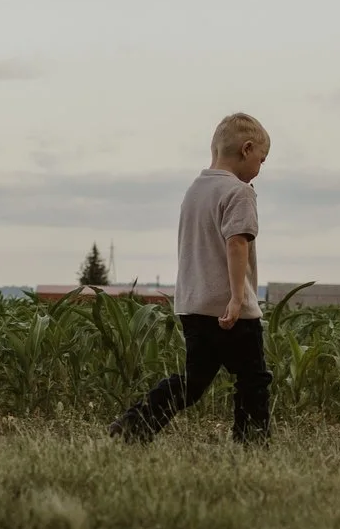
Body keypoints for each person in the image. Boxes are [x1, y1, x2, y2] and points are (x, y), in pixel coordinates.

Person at [109, 113, 272, 444]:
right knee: (252, 379)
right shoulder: (239, 192)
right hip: (230, 308)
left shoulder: (195, 190)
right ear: (247, 149)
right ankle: (253, 440)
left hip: (194, 305)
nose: (260, 168)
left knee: (194, 382)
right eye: (261, 159)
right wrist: (238, 298)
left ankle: (134, 424)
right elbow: (237, 243)